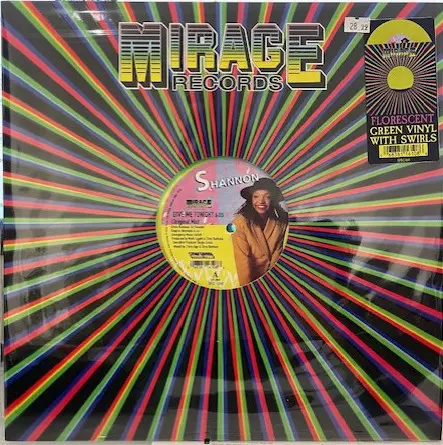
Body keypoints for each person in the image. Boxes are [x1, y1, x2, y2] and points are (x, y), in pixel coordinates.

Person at [231, 178, 288, 286]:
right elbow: (242, 261)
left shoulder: (280, 223)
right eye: (256, 196)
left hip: (271, 280)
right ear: (251, 199)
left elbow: (277, 255)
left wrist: (272, 284)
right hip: (248, 279)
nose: (261, 201)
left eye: (267, 197)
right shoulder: (240, 223)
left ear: (273, 200)